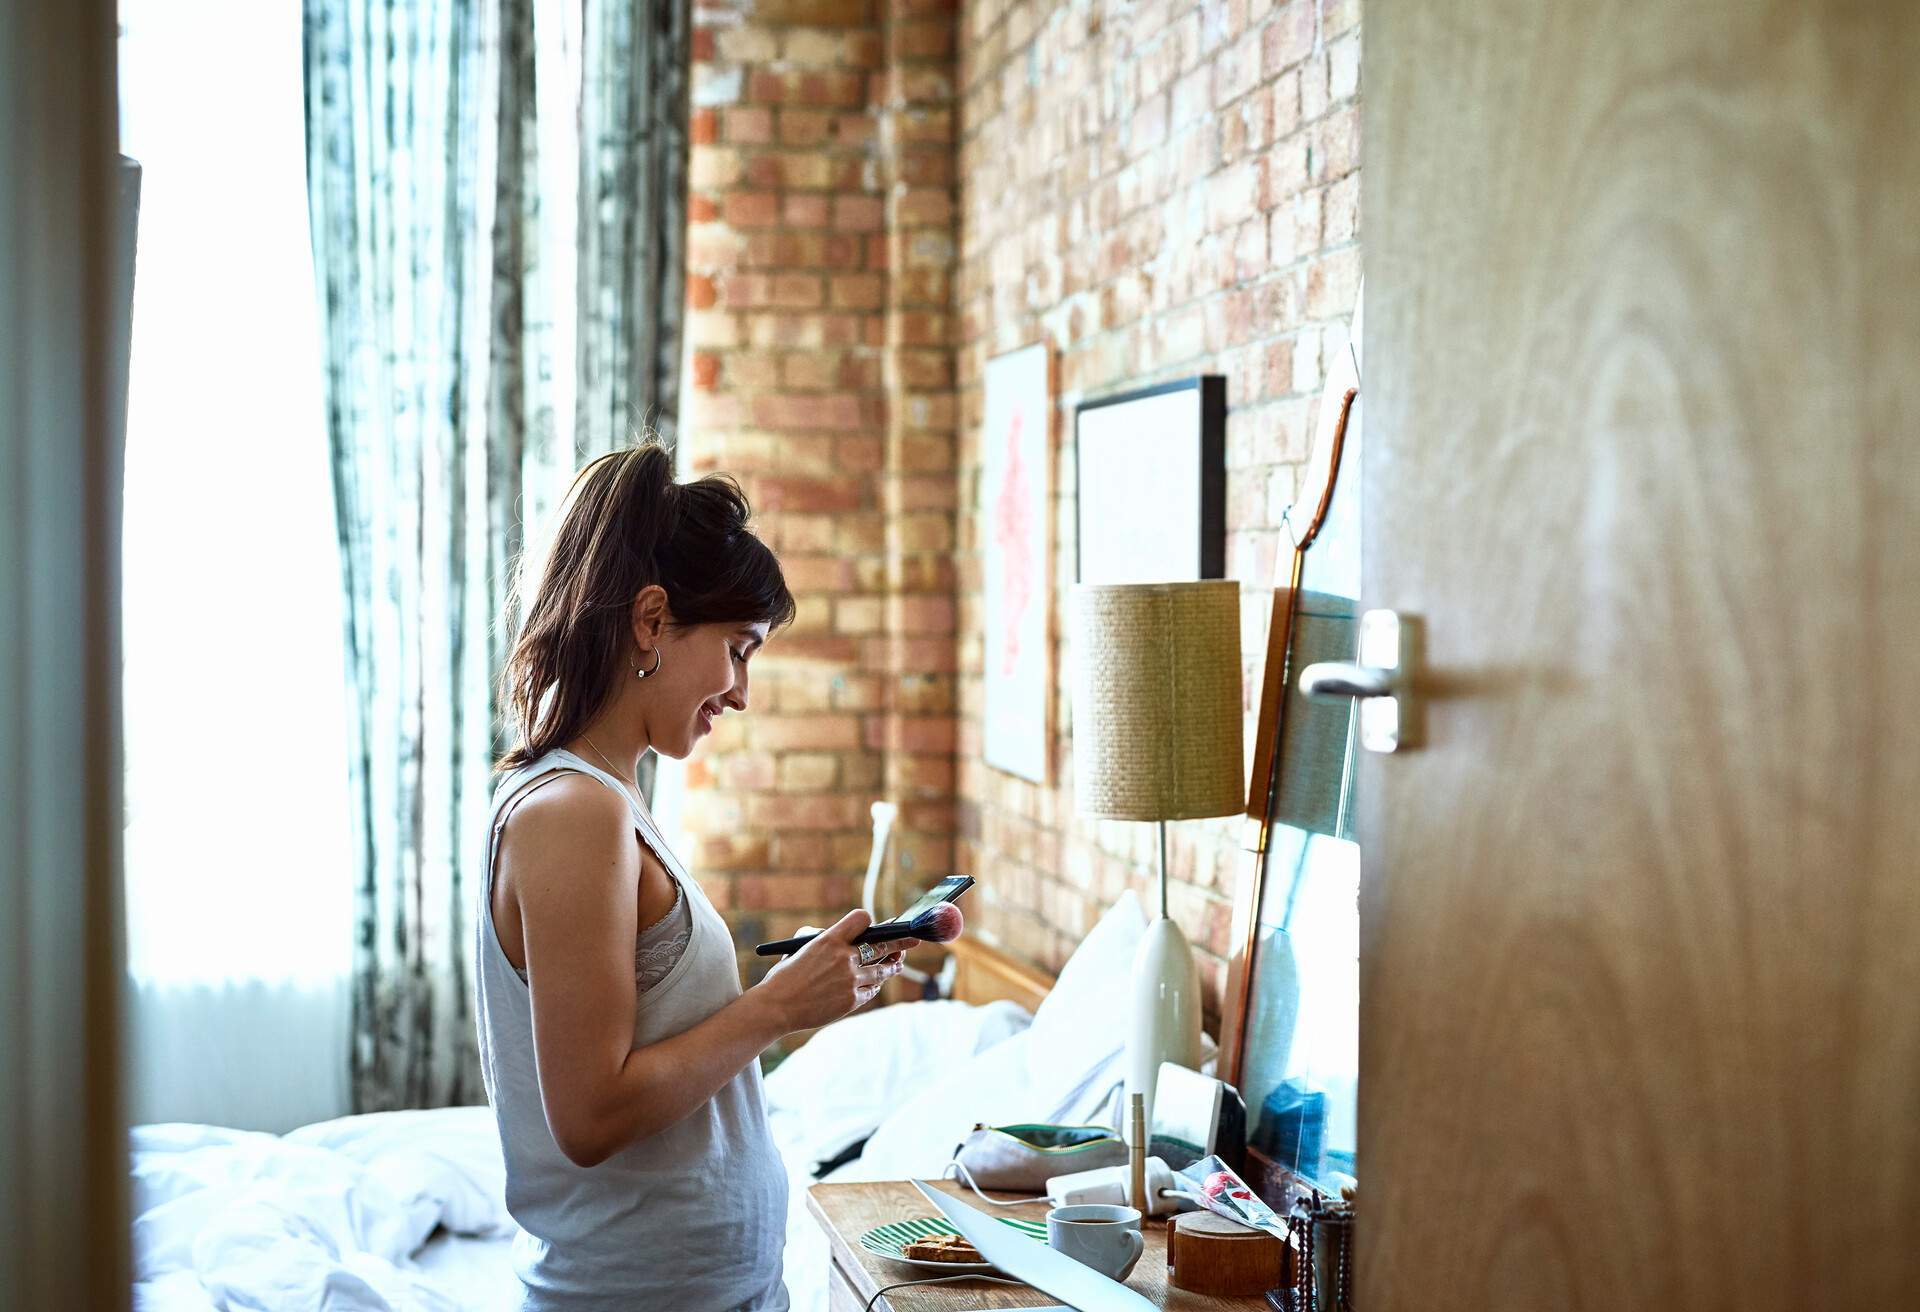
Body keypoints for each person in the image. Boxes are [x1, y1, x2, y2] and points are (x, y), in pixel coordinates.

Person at [476, 443, 916, 1310]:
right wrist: (778, 1008)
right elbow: (591, 1117)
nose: (743, 691)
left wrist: (796, 993)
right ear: (651, 620)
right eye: (738, 649)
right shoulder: (574, 813)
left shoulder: (610, 800)